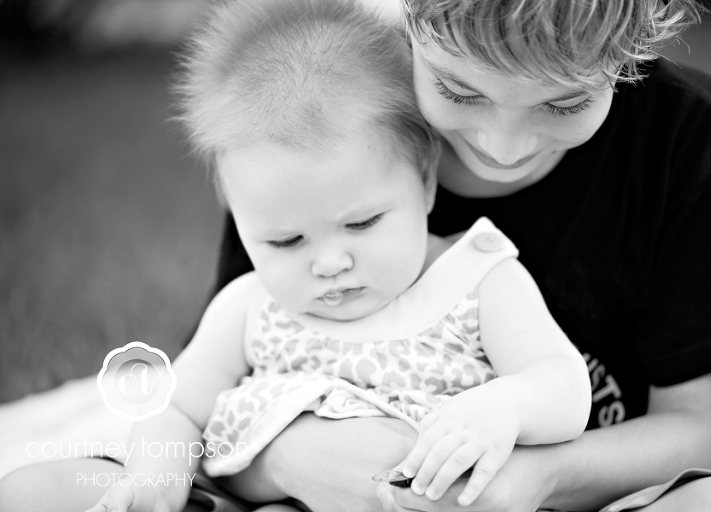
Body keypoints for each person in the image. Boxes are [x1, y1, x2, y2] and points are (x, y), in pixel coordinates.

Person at [0, 1, 592, 511]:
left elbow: (564, 386)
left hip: (411, 500)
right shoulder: (251, 307)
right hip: (249, 494)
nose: (329, 263)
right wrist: (156, 477)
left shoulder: (478, 280)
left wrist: (506, 407)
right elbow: (177, 406)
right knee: (31, 491)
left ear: (426, 181)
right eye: (285, 242)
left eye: (361, 223)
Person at [202, 0, 711, 511]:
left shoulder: (687, 142)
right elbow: (203, 397)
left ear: (627, 53)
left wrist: (528, 481)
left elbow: (698, 431)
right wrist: (292, 457)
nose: (503, 148)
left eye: (566, 102)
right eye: (459, 92)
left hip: (586, 493)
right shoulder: (320, 118)